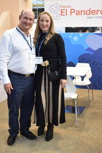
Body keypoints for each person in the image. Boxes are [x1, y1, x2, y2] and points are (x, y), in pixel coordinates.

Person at [0, 9, 37, 146]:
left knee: (27, 106)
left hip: (31, 79)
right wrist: (5, 80)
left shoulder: (31, 37)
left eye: (31, 19)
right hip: (15, 78)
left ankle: (25, 129)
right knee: (14, 108)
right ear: (20, 17)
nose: (28, 21)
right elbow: (1, 59)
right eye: (25, 18)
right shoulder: (9, 35)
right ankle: (13, 132)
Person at [34, 11, 67, 141]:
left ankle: (51, 126)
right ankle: (41, 123)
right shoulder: (36, 38)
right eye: (42, 20)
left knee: (52, 100)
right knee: (40, 99)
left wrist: (63, 77)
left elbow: (63, 58)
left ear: (51, 23)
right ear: (38, 22)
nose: (44, 23)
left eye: (47, 21)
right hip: (38, 74)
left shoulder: (57, 37)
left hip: (53, 75)